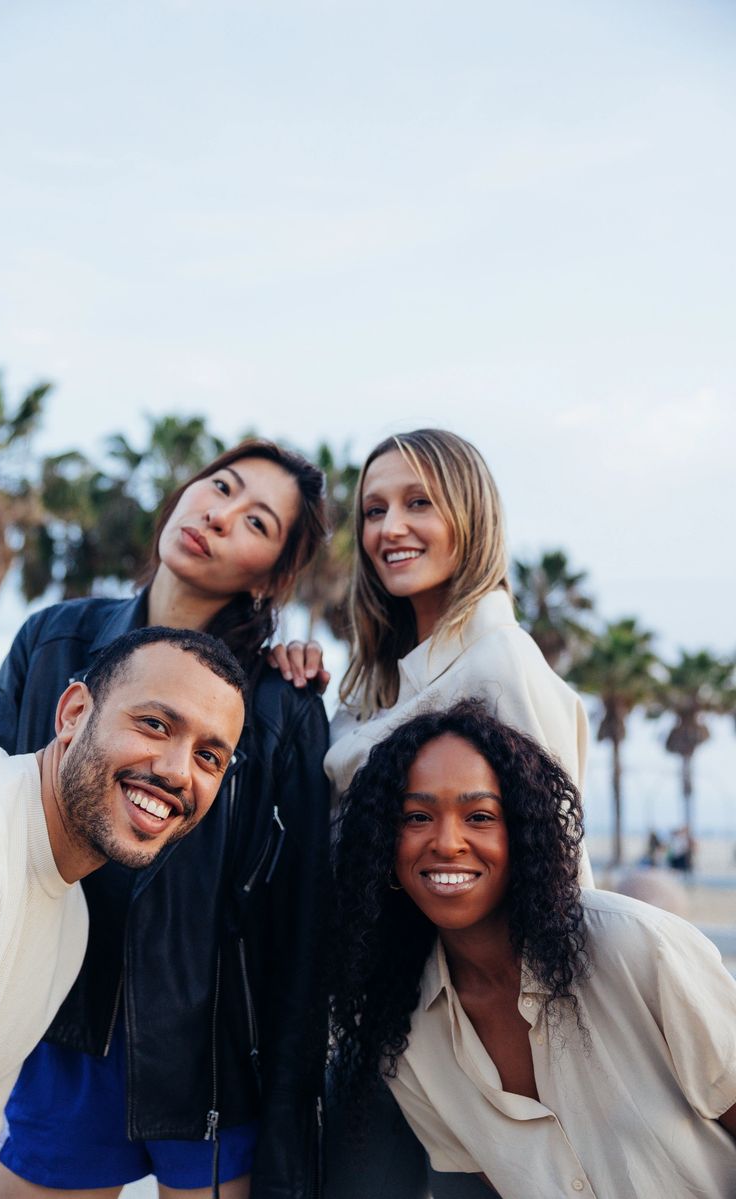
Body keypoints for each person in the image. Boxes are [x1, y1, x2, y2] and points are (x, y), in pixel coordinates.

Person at [0, 440, 331, 1199]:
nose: (220, 514)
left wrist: (294, 1099)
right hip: (63, 1027)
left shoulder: (282, 702)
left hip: (211, 1055)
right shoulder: (54, 640)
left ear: (269, 574)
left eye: (256, 520)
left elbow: (300, 920)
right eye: (220, 486)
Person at [281, 428, 590, 1199]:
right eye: (376, 509)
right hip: (375, 1022)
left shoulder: (500, 662)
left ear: (471, 517)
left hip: (488, 1041)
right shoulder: (370, 688)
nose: (391, 528)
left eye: (420, 502)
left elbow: (556, 867)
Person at [330, 700, 736, 1199]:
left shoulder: (639, 948)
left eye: (479, 815)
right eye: (417, 816)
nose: (447, 842)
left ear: (523, 832)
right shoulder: (406, 1033)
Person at [0, 626, 246, 1198]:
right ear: (74, 712)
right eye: (155, 724)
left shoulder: (68, 923)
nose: (179, 772)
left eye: (209, 756)